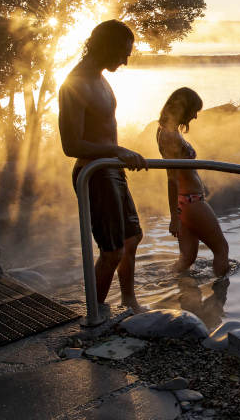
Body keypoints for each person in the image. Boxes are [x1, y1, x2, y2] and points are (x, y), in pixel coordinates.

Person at [58, 19, 148, 315]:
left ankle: (128, 301)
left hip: (111, 169)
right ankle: (94, 314)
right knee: (112, 251)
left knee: (131, 238)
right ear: (106, 46)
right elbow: (71, 145)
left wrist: (117, 155)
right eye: (123, 52)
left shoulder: (99, 77)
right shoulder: (76, 83)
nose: (125, 60)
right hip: (95, 175)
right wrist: (117, 150)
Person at [156, 87, 230, 277]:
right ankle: (221, 299)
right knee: (222, 249)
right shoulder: (170, 136)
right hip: (191, 202)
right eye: (194, 111)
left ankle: (165, 285)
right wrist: (173, 217)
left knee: (187, 257)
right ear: (185, 108)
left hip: (186, 202)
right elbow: (171, 178)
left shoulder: (166, 131)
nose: (195, 116)